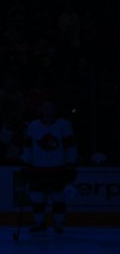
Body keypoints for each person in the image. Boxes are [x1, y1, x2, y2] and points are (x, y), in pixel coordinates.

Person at [21, 100, 77, 234]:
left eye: (51, 107)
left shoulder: (64, 125)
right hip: (38, 167)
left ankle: (58, 224)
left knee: (58, 197)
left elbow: (70, 145)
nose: (48, 111)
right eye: (45, 107)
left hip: (58, 167)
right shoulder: (34, 126)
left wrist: (71, 162)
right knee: (36, 197)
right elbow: (28, 145)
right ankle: (40, 223)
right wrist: (26, 161)